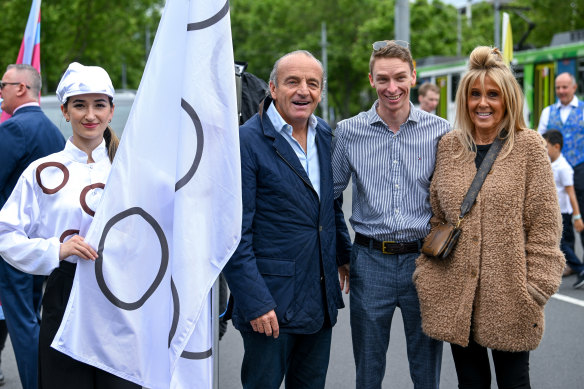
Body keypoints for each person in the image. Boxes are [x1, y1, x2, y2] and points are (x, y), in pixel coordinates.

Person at [414, 46, 564, 389]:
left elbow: (545, 225)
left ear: (508, 99)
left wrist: (535, 288)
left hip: (510, 296)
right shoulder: (450, 146)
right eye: (475, 94)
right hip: (455, 293)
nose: (483, 103)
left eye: (493, 94)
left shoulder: (529, 147)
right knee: (470, 382)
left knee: (514, 382)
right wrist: (428, 276)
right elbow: (438, 214)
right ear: (464, 100)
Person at [0, 62, 140, 389]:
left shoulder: (132, 170)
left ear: (111, 110)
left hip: (122, 297)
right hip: (65, 295)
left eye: (98, 104)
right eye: (79, 105)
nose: (89, 114)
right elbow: (5, 234)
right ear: (64, 110)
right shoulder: (42, 171)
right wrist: (55, 250)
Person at [222, 50, 350, 389]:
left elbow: (330, 206)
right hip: (270, 304)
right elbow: (234, 233)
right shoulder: (246, 142)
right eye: (292, 82)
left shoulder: (324, 134)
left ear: (321, 92)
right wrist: (255, 301)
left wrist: (342, 257)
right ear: (273, 88)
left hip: (318, 301)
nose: (303, 91)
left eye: (313, 83)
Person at [332, 40, 450, 388]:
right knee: (368, 371)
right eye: (383, 79)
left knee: (426, 371)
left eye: (400, 77)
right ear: (371, 80)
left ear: (413, 76)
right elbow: (329, 199)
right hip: (369, 262)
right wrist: (343, 252)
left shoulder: (441, 131)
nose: (392, 87)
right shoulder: (348, 132)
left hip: (425, 261)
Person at [0, 63, 65, 389]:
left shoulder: (14, 129)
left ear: (21, 88)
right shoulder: (52, 130)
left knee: (22, 321)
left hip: (16, 244)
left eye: (4, 84)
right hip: (45, 243)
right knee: (36, 318)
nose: (1, 92)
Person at [538, 72, 584, 265]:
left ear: (574, 88)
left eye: (565, 87)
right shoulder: (548, 112)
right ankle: (569, 263)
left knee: (581, 214)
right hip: (554, 172)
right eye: (558, 87)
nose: (561, 91)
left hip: (580, 167)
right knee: (562, 219)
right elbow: (539, 140)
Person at [542, 129, 584, 287]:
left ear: (557, 147)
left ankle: (580, 268)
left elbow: (571, 194)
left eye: (546, 147)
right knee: (563, 243)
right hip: (556, 211)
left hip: (563, 213)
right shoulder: (552, 164)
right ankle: (576, 268)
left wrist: (577, 216)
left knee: (561, 243)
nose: (544, 151)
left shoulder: (563, 167)